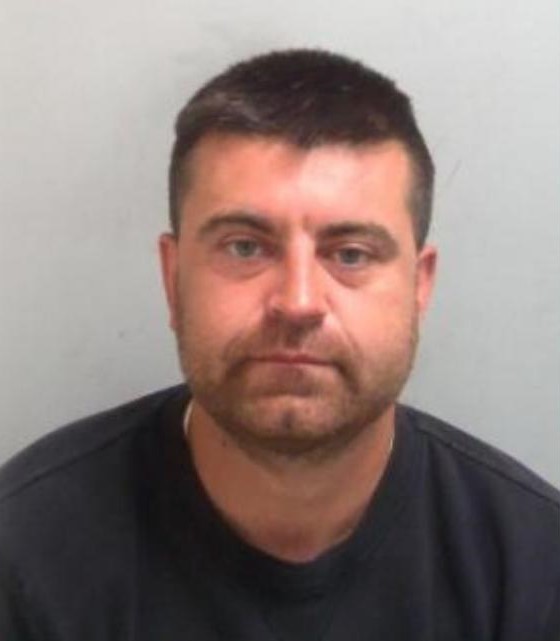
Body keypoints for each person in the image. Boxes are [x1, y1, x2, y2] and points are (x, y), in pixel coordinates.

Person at [0, 49, 558, 641]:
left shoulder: (534, 572)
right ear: (173, 277)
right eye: (245, 247)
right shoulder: (25, 555)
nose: (298, 302)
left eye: (350, 254)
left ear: (419, 286)